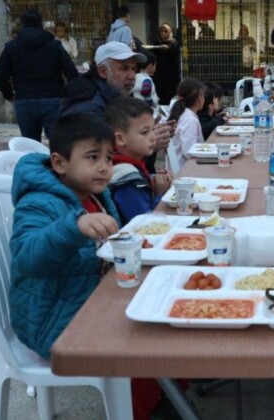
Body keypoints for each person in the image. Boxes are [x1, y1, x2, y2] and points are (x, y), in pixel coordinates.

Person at [9, 114, 182, 420]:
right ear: (60, 163)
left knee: (167, 299)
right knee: (141, 334)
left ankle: (173, 386)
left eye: (107, 158)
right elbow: (26, 257)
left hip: (88, 297)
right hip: (53, 320)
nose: (105, 167)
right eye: (92, 158)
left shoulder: (94, 194)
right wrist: (72, 227)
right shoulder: (39, 203)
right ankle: (144, 408)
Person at [60, 41, 175, 176]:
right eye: (124, 68)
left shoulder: (113, 96)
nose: (132, 75)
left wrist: (145, 134)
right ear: (103, 71)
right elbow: (92, 159)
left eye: (133, 69)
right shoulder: (88, 104)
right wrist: (143, 143)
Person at [0, 9, 78, 141]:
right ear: (41, 25)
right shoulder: (54, 45)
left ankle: (33, 162)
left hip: (24, 98)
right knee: (58, 143)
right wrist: (68, 95)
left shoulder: (11, 47)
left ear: (22, 25)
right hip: (52, 98)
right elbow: (72, 73)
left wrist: (9, 95)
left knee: (30, 145)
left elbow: (1, 76)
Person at [105, 97, 172, 224]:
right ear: (120, 139)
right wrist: (160, 193)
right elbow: (146, 224)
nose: (153, 137)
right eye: (145, 132)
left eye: (153, 129)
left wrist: (154, 180)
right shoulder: (127, 180)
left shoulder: (132, 163)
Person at [167, 78, 206, 170]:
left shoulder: (183, 114)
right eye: (203, 95)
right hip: (186, 170)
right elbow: (189, 151)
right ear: (199, 98)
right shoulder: (190, 120)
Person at [151, 23, 181, 105]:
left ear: (170, 32)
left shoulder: (174, 43)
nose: (163, 33)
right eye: (161, 31)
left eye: (165, 31)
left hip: (171, 75)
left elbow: (175, 53)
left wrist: (168, 48)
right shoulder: (157, 43)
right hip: (159, 75)